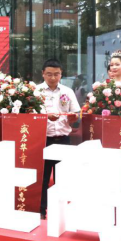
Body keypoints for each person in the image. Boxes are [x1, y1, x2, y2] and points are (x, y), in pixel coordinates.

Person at [36, 58, 80, 219]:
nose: (53, 78)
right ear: (43, 74)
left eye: (56, 74)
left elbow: (76, 113)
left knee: (62, 177)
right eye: (49, 74)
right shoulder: (36, 91)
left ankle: (60, 212)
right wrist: (46, 117)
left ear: (61, 74)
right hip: (43, 140)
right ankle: (41, 209)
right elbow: (30, 115)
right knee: (43, 177)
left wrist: (74, 117)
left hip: (63, 139)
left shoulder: (67, 91)